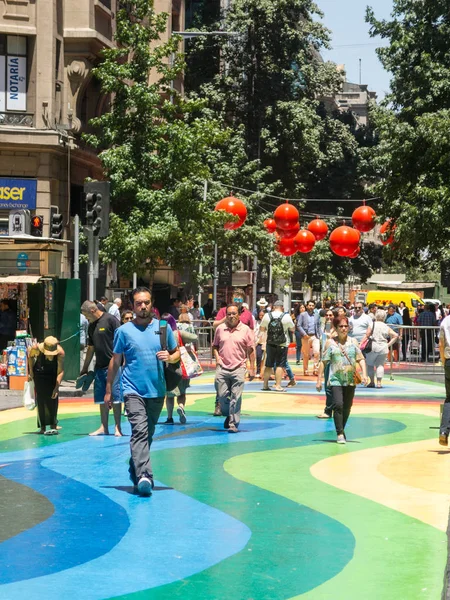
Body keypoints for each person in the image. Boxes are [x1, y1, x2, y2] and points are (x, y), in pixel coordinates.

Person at [105, 287, 180, 496]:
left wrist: (170, 357)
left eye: (146, 302)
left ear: (151, 303)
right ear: (133, 306)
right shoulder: (124, 331)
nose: (143, 306)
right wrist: (109, 389)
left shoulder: (163, 328)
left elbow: (177, 354)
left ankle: (135, 467)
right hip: (132, 390)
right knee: (139, 431)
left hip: (157, 390)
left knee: (147, 435)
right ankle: (145, 476)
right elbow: (116, 360)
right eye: (139, 303)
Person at [316, 316, 368, 444]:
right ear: (336, 328)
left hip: (350, 379)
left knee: (347, 406)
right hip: (335, 379)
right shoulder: (330, 343)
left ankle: (341, 430)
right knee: (338, 404)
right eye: (341, 326)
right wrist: (319, 379)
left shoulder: (354, 342)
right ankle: (339, 433)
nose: (344, 329)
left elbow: (360, 358)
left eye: (346, 326)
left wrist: (365, 374)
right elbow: (324, 362)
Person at [80, 300, 122, 436]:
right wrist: (85, 368)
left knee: (115, 398)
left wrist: (123, 362)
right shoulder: (92, 327)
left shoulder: (111, 320)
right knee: (101, 398)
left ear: (92, 311)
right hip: (99, 366)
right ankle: (104, 427)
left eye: (86, 315)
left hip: (114, 366)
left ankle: (118, 427)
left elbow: (122, 341)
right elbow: (91, 348)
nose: (86, 318)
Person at [213, 303, 255, 432]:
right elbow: (215, 346)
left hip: (239, 367)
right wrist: (218, 359)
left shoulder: (246, 330)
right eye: (229, 314)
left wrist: (252, 367)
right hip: (223, 367)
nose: (231, 316)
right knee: (222, 395)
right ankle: (228, 414)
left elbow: (251, 349)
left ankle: (233, 423)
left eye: (234, 313)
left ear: (239, 315)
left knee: (236, 397)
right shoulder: (220, 328)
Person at [164, 313, 198, 425]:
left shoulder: (160, 334)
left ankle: (169, 417)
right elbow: (195, 337)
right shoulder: (178, 333)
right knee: (181, 392)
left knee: (169, 394)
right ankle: (181, 406)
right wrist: (185, 345)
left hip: (167, 367)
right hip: (181, 366)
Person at [28, 336, 65, 435]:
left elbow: (60, 371)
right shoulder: (36, 348)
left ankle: (53, 424)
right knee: (41, 399)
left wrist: (56, 388)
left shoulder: (60, 353)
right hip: (39, 373)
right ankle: (42, 427)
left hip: (53, 374)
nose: (50, 356)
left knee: (53, 398)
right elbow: (30, 357)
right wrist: (31, 371)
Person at [260, 300, 295, 392]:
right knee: (280, 364)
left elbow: (262, 328)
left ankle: (265, 385)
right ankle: (278, 385)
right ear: (282, 307)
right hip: (282, 343)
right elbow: (292, 329)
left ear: (273, 307)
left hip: (270, 343)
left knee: (268, 364)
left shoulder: (267, 315)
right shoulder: (286, 316)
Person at [361, 310, 399, 388]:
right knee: (380, 365)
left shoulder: (372, 324)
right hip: (383, 347)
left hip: (373, 346)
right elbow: (395, 335)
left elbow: (367, 335)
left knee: (370, 364)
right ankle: (379, 383)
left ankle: (371, 382)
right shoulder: (386, 326)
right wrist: (388, 344)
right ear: (384, 317)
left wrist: (361, 343)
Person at [316, 308, 336, 419]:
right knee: (328, 386)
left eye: (331, 315)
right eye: (327, 315)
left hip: (335, 361)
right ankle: (328, 410)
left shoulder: (338, 329)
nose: (328, 317)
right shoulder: (327, 327)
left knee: (333, 386)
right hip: (326, 358)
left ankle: (331, 410)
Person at [297, 300, 321, 376]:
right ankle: (306, 370)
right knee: (306, 354)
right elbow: (298, 325)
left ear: (314, 306)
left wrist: (320, 335)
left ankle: (316, 369)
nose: (311, 307)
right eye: (309, 305)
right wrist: (304, 334)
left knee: (317, 352)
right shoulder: (303, 315)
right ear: (307, 306)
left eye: (312, 305)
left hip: (315, 336)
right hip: (306, 337)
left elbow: (318, 326)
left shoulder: (317, 315)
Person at [438, 313, 450, 446]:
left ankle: (443, 432)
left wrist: (443, 360)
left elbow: (441, 343)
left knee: (449, 399)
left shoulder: (446, 321)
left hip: (449, 360)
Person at [254, 309, 267, 378]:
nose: (261, 316)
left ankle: (265, 372)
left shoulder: (268, 322)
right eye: (260, 315)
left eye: (263, 315)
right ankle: (258, 371)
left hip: (266, 342)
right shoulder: (257, 322)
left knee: (266, 358)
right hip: (258, 342)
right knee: (258, 356)